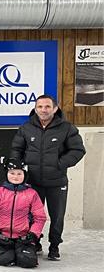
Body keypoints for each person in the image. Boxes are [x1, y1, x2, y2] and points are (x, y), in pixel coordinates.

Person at [11, 95, 86, 260]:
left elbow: (78, 150)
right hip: (33, 182)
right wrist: (19, 167)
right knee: (31, 215)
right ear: (35, 108)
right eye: (40, 107)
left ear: (55, 108)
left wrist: (59, 163)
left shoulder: (66, 128)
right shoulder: (26, 128)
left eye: (47, 107)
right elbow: (16, 149)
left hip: (56, 181)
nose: (43, 110)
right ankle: (34, 242)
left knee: (57, 215)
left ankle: (54, 246)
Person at [0, 159, 47, 268]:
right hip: (3, 237)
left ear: (25, 175)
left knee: (27, 261)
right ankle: (7, 250)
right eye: (12, 173)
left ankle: (25, 250)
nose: (16, 176)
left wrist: (32, 235)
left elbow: (40, 217)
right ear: (6, 174)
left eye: (19, 173)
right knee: (6, 259)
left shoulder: (31, 194)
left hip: (23, 237)